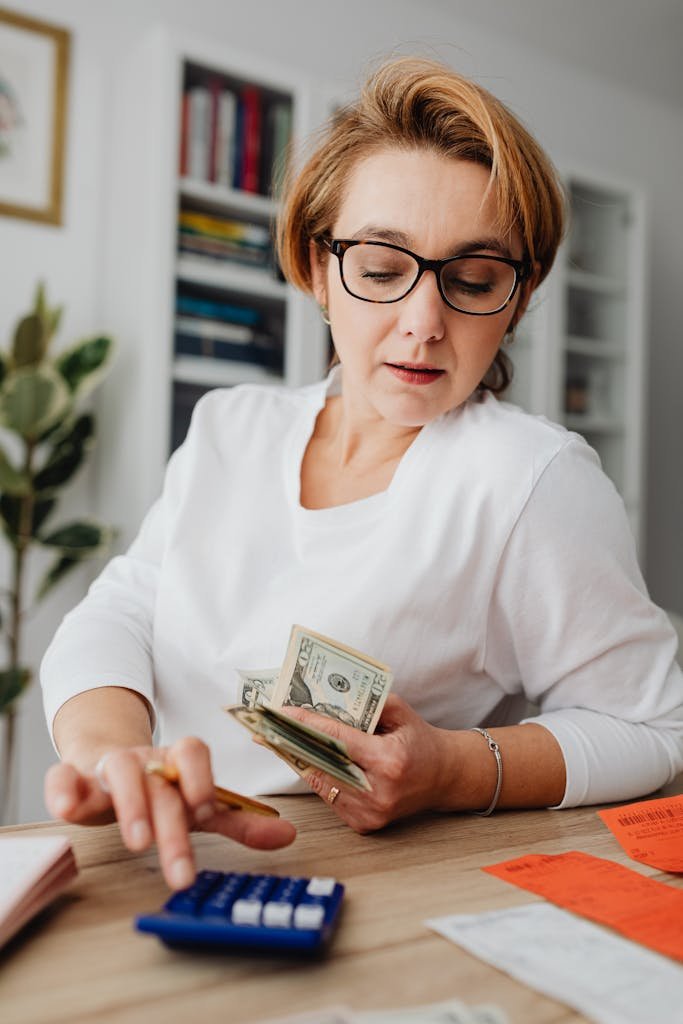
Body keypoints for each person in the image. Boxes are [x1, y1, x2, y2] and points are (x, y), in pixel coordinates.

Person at [42, 57, 683, 889]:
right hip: (139, 859)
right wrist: (112, 753)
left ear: (518, 300)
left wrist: (449, 771)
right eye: (382, 269)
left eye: (473, 280)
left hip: (342, 890)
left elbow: (655, 729)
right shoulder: (229, 426)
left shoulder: (529, 480)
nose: (422, 324)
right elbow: (125, 605)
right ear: (317, 269)